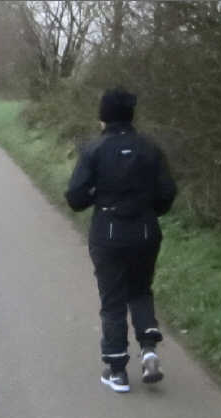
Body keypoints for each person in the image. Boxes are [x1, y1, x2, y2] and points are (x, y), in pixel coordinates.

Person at [65, 87, 177, 393]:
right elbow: (167, 193)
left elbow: (75, 197)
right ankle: (149, 349)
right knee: (140, 290)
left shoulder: (95, 150)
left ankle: (117, 372)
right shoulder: (150, 148)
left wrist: (95, 195)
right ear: (130, 115)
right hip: (146, 231)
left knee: (113, 300)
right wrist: (148, 210)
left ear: (104, 117)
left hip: (109, 232)